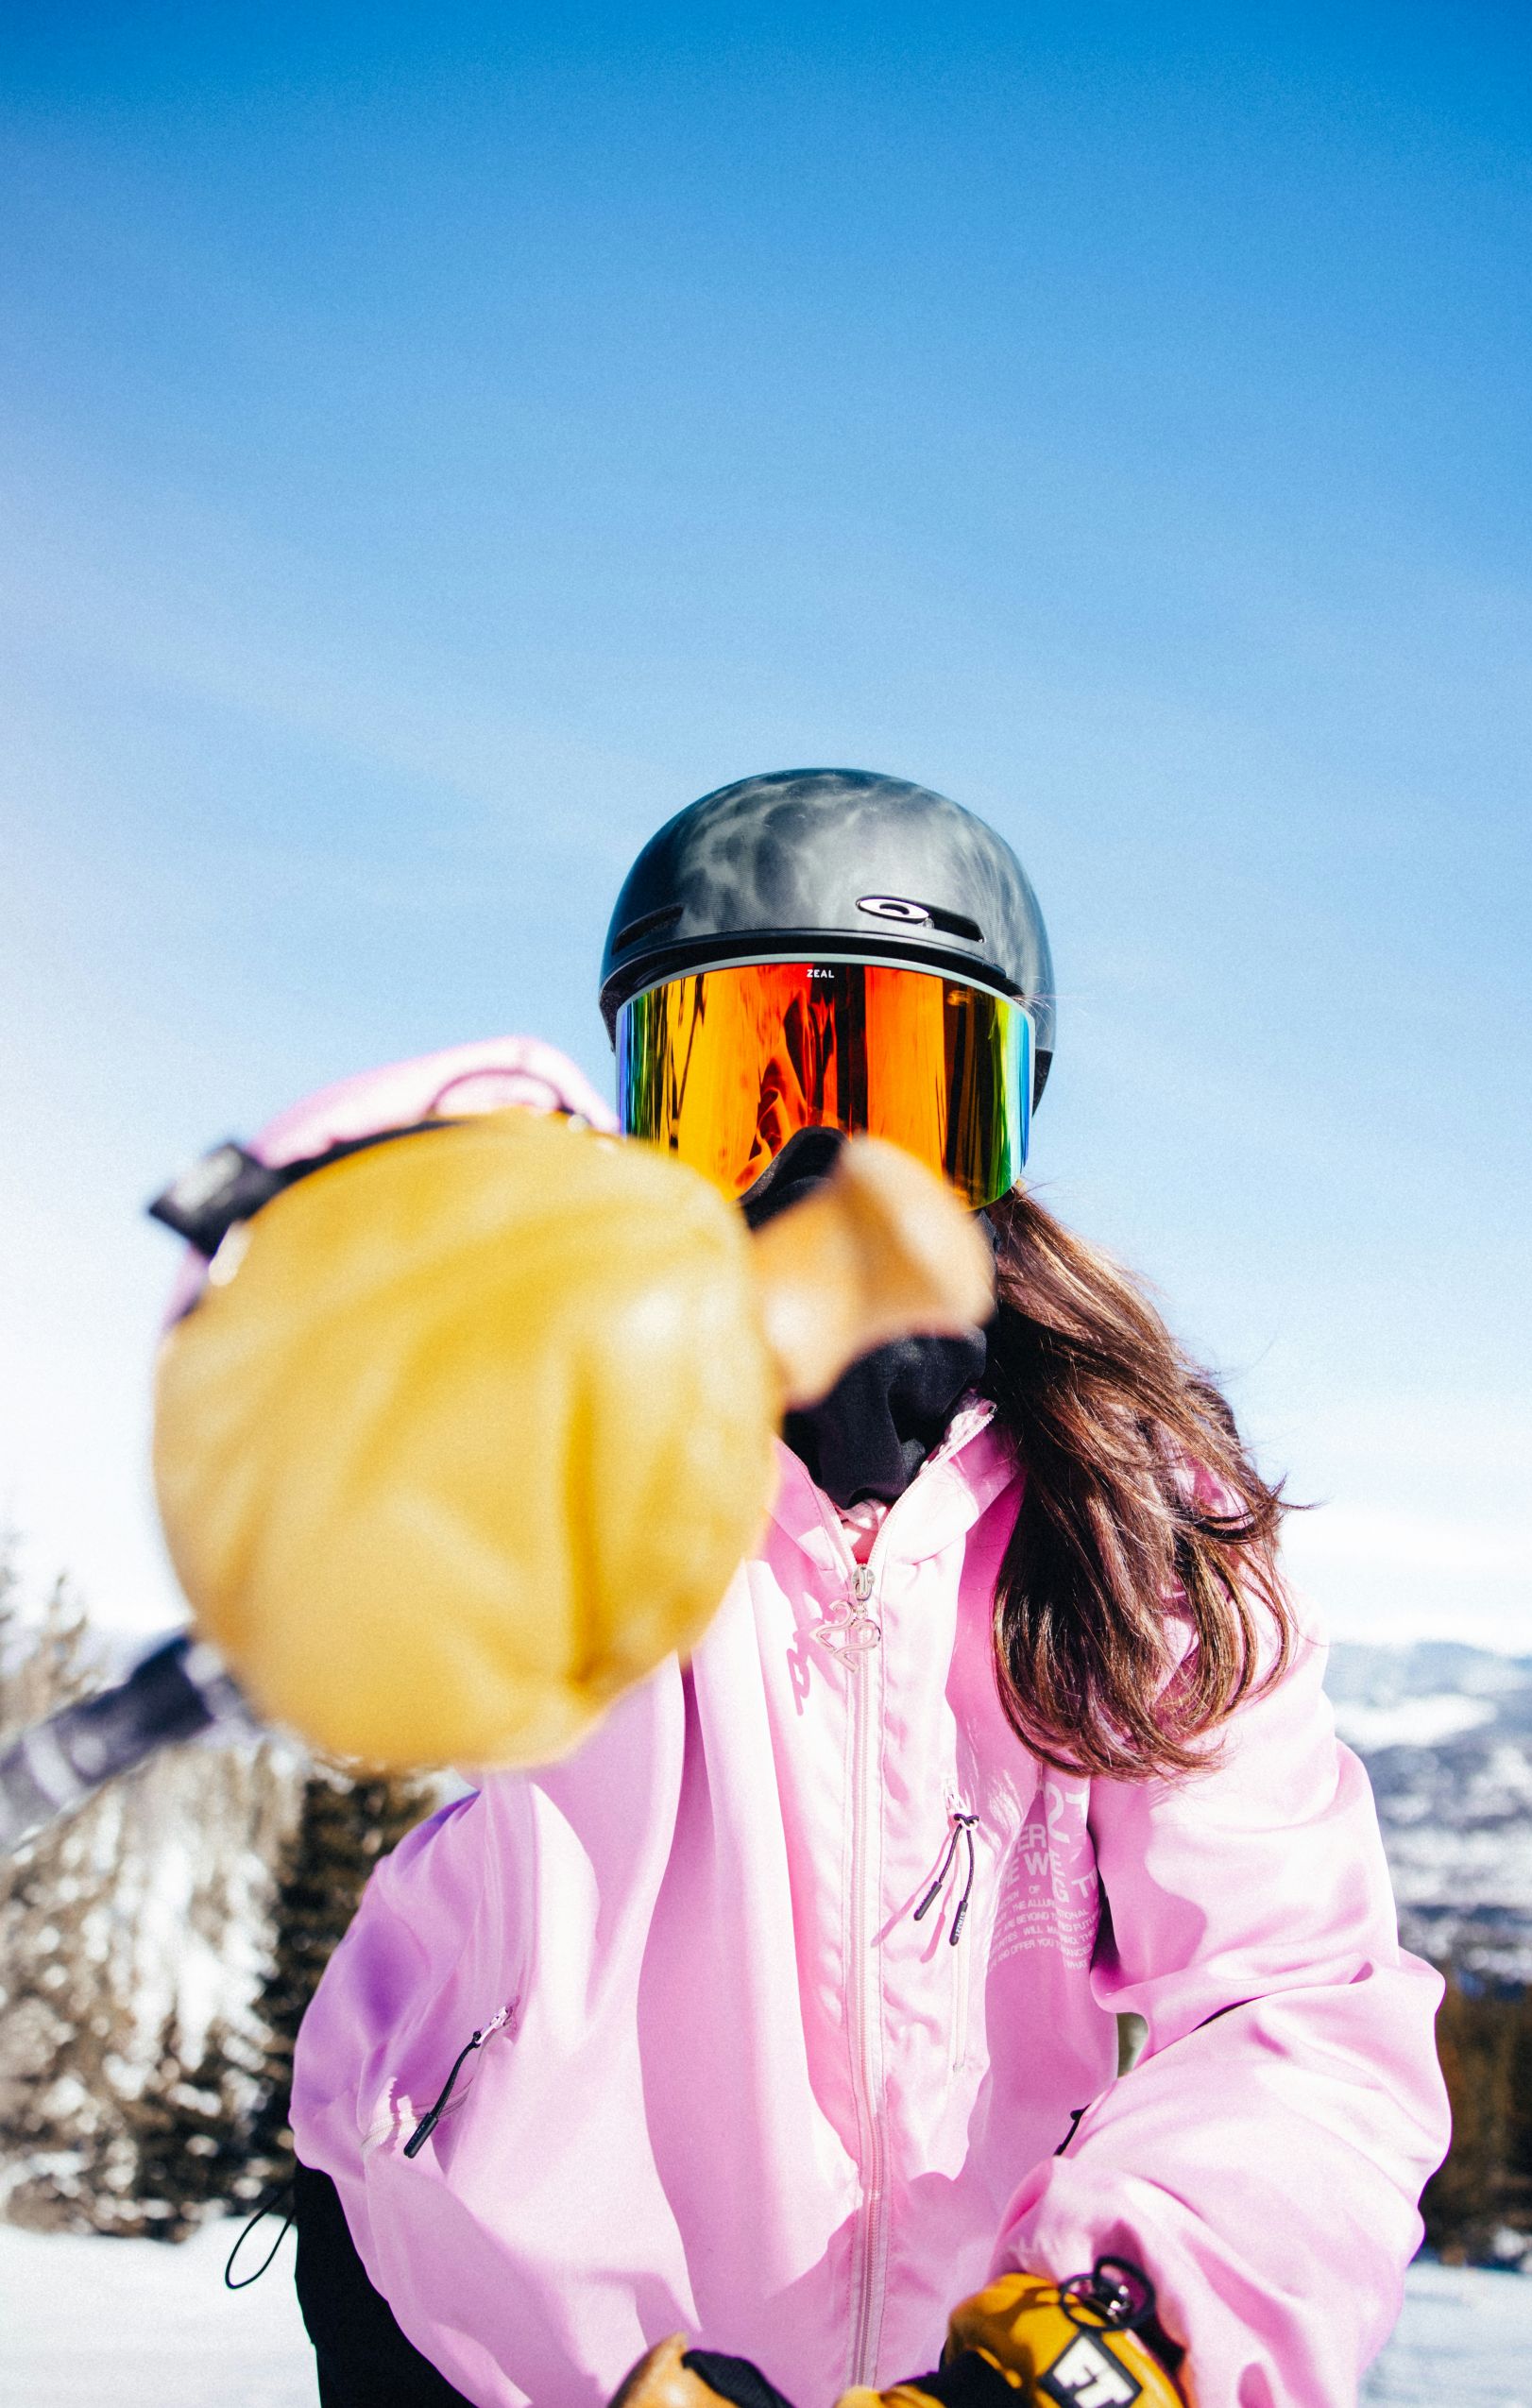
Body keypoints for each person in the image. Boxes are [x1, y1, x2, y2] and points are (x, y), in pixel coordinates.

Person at [274, 769, 1447, 2408]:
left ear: (1007, 1125)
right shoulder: (563, 1442)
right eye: (742, 1080)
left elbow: (1294, 1995)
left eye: (906, 1087)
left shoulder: (1137, 1535)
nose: (826, 1163)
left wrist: (1119, 2337)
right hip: (485, 2344)